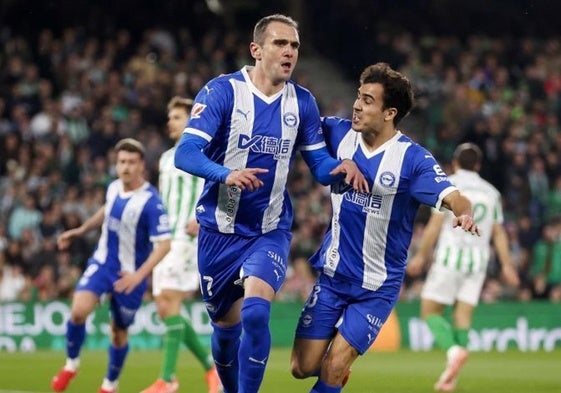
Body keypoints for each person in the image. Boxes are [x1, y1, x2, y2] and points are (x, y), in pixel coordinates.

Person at [174, 14, 367, 393]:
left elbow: (318, 164)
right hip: (219, 230)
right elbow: (186, 153)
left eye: (294, 45)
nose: (289, 52)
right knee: (225, 333)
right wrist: (225, 174)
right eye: (281, 43)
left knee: (257, 312)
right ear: (256, 50)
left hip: (269, 230)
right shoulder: (222, 92)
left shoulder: (303, 103)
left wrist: (339, 168)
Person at [289, 62, 480, 393]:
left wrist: (464, 213)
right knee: (301, 367)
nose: (357, 105)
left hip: (376, 287)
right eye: (358, 96)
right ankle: (336, 355)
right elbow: (297, 127)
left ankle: (340, 362)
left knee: (333, 367)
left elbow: (454, 196)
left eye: (367, 100)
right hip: (333, 277)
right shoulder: (338, 133)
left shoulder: (412, 160)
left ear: (389, 112)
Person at [50, 138, 171, 393]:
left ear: (142, 167)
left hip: (130, 275)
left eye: (131, 162)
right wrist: (81, 230)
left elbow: (164, 245)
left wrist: (138, 277)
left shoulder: (151, 202)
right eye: (122, 162)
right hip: (104, 262)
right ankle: (71, 364)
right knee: (78, 311)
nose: (125, 167)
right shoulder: (114, 187)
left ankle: (110, 384)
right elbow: (107, 210)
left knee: (118, 332)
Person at [407, 142, 520, 392]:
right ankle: (451, 376)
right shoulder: (492, 193)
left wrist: (420, 256)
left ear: (455, 163)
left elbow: (436, 226)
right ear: (478, 166)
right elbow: (499, 233)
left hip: (450, 257)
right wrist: (507, 265)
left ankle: (453, 350)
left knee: (429, 311)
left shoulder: (448, 184)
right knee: (463, 315)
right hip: (478, 262)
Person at [141, 97, 221, 393]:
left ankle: (168, 379)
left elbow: (216, 187)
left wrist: (204, 217)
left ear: (191, 120)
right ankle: (212, 369)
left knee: (169, 302)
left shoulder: (202, 152)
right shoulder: (164, 158)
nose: (170, 122)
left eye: (176, 117)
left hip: (187, 237)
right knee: (164, 308)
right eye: (170, 116)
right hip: (164, 239)